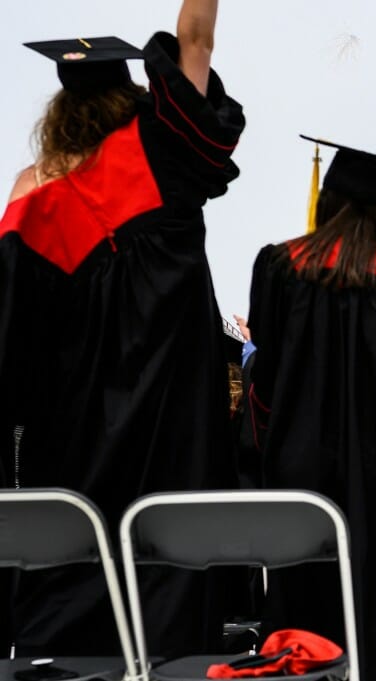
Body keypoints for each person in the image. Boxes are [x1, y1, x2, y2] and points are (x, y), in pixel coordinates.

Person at [0, 0, 244, 657]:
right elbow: (195, 37)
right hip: (176, 465)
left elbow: (11, 372)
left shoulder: (32, 205)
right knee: (171, 643)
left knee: (71, 638)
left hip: (73, 475)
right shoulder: (166, 156)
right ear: (130, 95)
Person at [246, 137, 376, 681]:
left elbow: (263, 392)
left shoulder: (280, 268)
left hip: (300, 484)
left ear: (327, 202)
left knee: (304, 614)